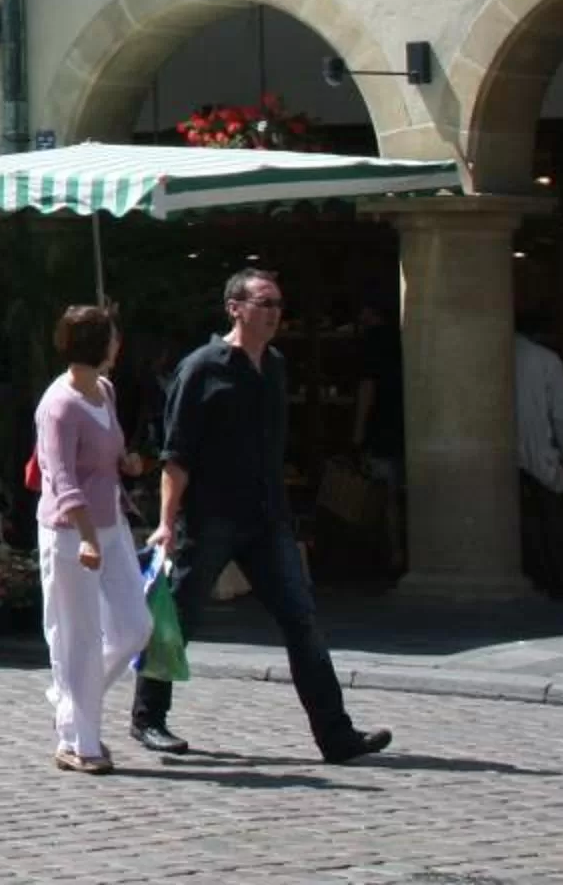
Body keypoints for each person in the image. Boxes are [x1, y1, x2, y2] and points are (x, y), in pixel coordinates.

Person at [131, 267, 390, 765]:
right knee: (178, 619)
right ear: (235, 308)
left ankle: (336, 735)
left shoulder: (273, 365)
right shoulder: (202, 368)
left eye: (277, 304)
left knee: (301, 620)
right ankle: (148, 719)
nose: (274, 313)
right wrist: (167, 521)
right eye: (264, 303)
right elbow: (175, 454)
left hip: (266, 518)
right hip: (210, 517)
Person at [35, 305, 152, 774]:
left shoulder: (104, 390)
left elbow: (112, 450)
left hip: (113, 522)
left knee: (134, 627)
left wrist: (129, 464)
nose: (119, 345)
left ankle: (70, 703)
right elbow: (61, 479)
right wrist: (86, 538)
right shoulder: (58, 406)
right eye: (113, 337)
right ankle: (81, 743)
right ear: (96, 345)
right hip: (70, 534)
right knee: (78, 636)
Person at [517, 312, 563, 597]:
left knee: (525, 519)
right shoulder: (546, 360)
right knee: (551, 519)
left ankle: (538, 573)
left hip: (508, 454)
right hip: (539, 452)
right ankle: (561, 578)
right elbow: (561, 414)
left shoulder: (495, 359)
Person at [351, 297, 407, 568]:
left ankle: (394, 552)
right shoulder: (405, 339)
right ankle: (400, 550)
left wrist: (358, 433)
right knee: (398, 492)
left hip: (382, 428)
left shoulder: (372, 344)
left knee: (386, 495)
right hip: (405, 423)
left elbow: (367, 387)